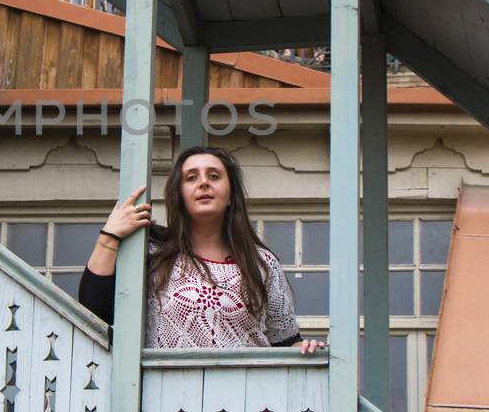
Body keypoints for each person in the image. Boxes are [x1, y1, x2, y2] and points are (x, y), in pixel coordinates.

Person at [77, 146, 324, 352]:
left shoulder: (261, 263)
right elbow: (94, 313)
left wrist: (304, 348)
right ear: (179, 195)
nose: (204, 182)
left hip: (250, 400)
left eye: (214, 176)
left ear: (230, 197)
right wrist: (109, 237)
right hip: (170, 401)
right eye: (191, 177)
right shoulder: (152, 254)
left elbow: (284, 342)